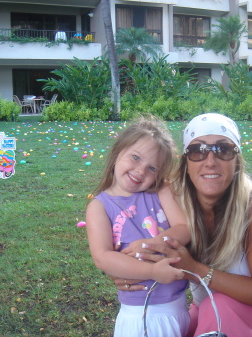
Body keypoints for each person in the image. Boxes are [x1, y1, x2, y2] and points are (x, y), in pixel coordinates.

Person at [120, 113, 252, 337]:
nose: (210, 161)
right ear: (186, 162)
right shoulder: (172, 202)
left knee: (220, 311)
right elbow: (139, 243)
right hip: (208, 308)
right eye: (198, 151)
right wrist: (125, 270)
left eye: (223, 149)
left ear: (237, 161)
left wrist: (195, 270)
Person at [86, 116, 191, 337]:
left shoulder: (160, 190)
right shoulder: (100, 207)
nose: (141, 171)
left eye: (152, 168)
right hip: (141, 316)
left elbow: (184, 227)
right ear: (117, 152)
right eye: (135, 157)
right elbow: (102, 257)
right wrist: (152, 271)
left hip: (180, 309)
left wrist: (150, 244)